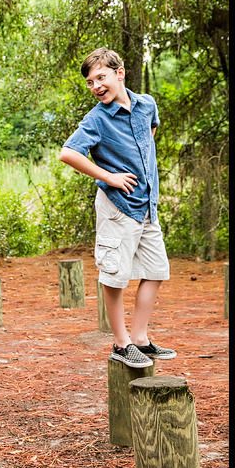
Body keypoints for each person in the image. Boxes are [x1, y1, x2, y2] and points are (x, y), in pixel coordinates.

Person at [59, 47, 176, 368]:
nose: (95, 86)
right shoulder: (96, 119)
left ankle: (140, 337)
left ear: (119, 73)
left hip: (146, 206)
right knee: (115, 275)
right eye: (89, 82)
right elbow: (68, 153)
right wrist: (108, 175)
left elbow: (149, 136)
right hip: (117, 207)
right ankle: (121, 343)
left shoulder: (146, 105)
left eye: (101, 77)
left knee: (156, 271)